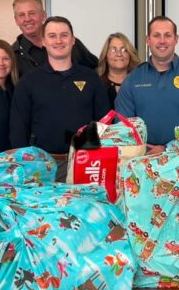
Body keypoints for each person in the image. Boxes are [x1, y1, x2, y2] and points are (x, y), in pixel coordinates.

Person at [10, 16, 109, 180]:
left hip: (85, 164)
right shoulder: (29, 81)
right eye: (52, 36)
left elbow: (104, 123)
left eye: (64, 35)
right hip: (41, 167)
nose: (58, 41)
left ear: (73, 40)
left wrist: (94, 157)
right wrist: (25, 165)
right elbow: (18, 128)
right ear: (43, 42)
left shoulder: (91, 78)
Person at [116, 16, 179, 154]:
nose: (162, 41)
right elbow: (123, 125)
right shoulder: (132, 80)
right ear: (148, 40)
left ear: (176, 39)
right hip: (142, 159)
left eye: (167, 35)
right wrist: (147, 150)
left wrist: (169, 149)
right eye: (156, 35)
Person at [11, 0, 98, 76]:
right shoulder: (12, 55)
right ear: (16, 20)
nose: (27, 19)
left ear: (43, 15)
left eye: (32, 13)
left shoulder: (69, 44)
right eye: (21, 15)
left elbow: (97, 69)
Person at [97, 33, 141, 109]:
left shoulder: (140, 83)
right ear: (106, 56)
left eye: (124, 50)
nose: (119, 54)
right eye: (113, 50)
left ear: (130, 55)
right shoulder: (97, 84)